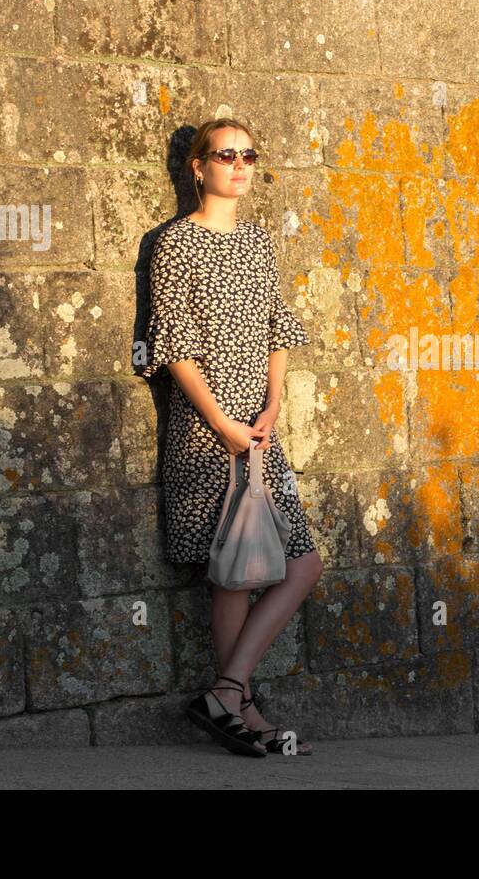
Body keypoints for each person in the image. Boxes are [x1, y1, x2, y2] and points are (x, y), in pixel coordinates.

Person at [139, 118, 321, 757]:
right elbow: (171, 344)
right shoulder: (172, 244)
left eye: (249, 155)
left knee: (297, 565)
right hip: (208, 429)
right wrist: (221, 423)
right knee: (234, 572)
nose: (240, 165)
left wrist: (273, 403)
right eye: (226, 155)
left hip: (261, 429)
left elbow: (277, 326)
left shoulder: (260, 242)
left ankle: (228, 693)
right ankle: (235, 702)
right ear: (198, 167)